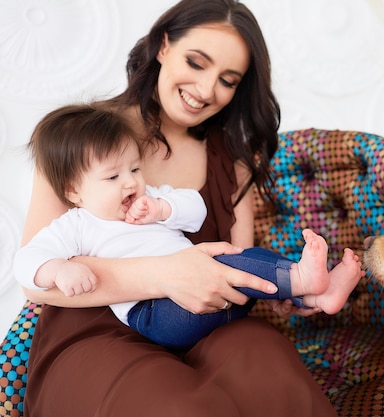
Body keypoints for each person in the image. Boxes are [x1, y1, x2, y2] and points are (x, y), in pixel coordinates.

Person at [19, 0, 352, 415]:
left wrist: (281, 286)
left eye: (228, 80)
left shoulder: (233, 160)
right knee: (175, 406)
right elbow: (35, 281)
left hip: (206, 325)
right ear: (163, 46)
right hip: (97, 331)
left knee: (272, 372)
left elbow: (237, 263)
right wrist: (167, 274)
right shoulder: (77, 140)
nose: (207, 89)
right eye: (196, 62)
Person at [14, 104, 362, 350]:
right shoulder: (76, 225)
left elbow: (195, 211)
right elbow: (27, 262)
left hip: (220, 295)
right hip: (159, 314)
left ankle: (316, 292)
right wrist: (58, 270)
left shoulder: (150, 199)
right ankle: (303, 280)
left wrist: (163, 209)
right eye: (112, 176)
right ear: (74, 191)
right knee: (230, 264)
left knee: (244, 256)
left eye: (134, 170)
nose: (130, 184)